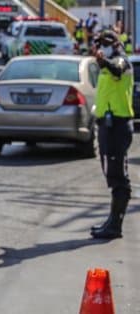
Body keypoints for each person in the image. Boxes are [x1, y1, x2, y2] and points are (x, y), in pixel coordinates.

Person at [90, 30, 134, 239]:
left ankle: (115, 226)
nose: (101, 47)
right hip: (107, 126)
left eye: (104, 43)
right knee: (111, 173)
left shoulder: (122, 62)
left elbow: (117, 69)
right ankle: (111, 220)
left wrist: (104, 61)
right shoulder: (105, 65)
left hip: (118, 126)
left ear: (115, 44)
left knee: (118, 177)